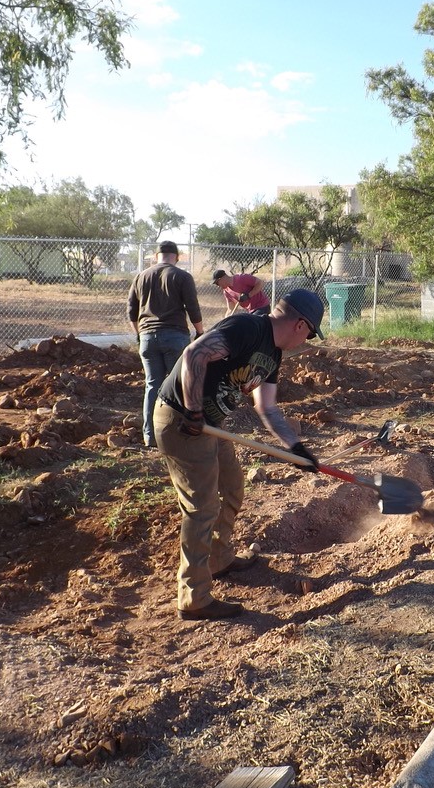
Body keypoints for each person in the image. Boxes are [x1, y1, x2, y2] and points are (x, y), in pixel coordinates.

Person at [153, 289, 324, 621]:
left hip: (210, 425)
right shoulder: (248, 328)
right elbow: (194, 354)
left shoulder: (273, 354)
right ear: (301, 325)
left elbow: (267, 408)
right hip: (182, 422)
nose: (305, 342)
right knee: (202, 508)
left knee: (232, 487)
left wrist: (297, 449)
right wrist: (192, 410)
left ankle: (218, 559)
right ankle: (193, 597)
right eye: (309, 334)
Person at [128, 241, 205, 449]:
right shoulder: (182, 276)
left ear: (156, 256)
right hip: (175, 336)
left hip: (147, 337)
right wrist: (200, 332)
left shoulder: (141, 277)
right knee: (179, 386)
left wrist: (139, 334)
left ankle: (150, 437)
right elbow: (193, 308)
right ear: (176, 257)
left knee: (152, 385)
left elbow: (131, 311)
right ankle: (176, 437)